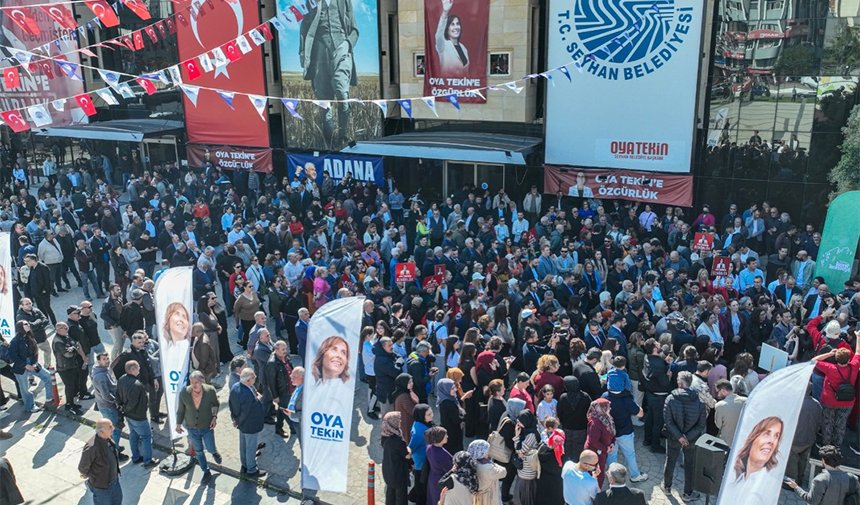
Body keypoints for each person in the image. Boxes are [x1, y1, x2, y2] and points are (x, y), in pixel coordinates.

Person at [298, 0, 359, 144]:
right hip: (319, 53)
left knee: (341, 91)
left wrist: (347, 44)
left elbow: (355, 30)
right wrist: (302, 54)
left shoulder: (344, 2)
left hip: (342, 49)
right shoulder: (310, 2)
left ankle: (343, 137)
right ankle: (329, 141)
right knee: (324, 100)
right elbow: (304, 29)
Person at [662, 371, 706, 502]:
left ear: (679, 383)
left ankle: (667, 487)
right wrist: (687, 437)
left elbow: (668, 421)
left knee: (670, 461)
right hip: (691, 439)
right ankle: (687, 493)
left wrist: (680, 436)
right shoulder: (699, 401)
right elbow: (701, 424)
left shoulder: (670, 398)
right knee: (690, 464)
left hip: (674, 437)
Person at [719, 416, 785, 504]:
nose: (771, 441)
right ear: (753, 438)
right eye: (767, 434)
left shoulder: (769, 485)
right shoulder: (738, 477)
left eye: (776, 436)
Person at [176, 370, 221, 484]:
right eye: (191, 382)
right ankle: (206, 471)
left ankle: (214, 452)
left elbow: (216, 404)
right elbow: (181, 410)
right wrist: (178, 424)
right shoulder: (184, 392)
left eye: (196, 382)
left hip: (207, 426)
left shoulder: (210, 391)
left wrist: (214, 417)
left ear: (202, 381)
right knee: (199, 451)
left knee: (210, 447)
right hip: (191, 428)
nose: (193, 384)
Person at [115, 360, 159, 468]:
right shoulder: (137, 385)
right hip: (138, 417)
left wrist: (122, 409)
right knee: (146, 437)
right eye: (138, 367)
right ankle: (148, 461)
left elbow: (117, 395)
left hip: (128, 416)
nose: (139, 369)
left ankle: (135, 457)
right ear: (133, 369)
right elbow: (136, 402)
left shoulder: (121, 379)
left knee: (133, 435)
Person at [786, 445, 860, 504]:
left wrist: (796, 487)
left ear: (823, 461)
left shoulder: (820, 480)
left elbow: (812, 501)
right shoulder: (853, 478)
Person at [7, 320, 53, 413]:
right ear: (20, 327)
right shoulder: (15, 341)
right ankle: (30, 406)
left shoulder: (30, 337)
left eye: (28, 323)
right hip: (20, 367)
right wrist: (25, 365)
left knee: (47, 376)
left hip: (32, 363)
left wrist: (34, 363)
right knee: (25, 389)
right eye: (25, 324)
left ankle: (49, 398)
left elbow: (35, 351)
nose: (28, 325)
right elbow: (12, 356)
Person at [228, 367, 267, 478]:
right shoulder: (246, 394)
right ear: (248, 380)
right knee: (250, 447)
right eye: (254, 377)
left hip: (243, 424)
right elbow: (245, 412)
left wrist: (235, 420)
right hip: (249, 424)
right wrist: (238, 422)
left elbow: (231, 404)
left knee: (243, 445)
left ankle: (245, 465)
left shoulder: (235, 387)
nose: (255, 378)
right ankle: (251, 469)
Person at [91, 352, 127, 460]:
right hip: (108, 406)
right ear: (98, 361)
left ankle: (113, 447)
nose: (107, 360)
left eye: (107, 358)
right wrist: (117, 402)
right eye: (104, 359)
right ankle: (114, 452)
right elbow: (106, 395)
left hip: (105, 405)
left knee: (113, 429)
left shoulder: (100, 369)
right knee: (114, 429)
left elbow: (110, 368)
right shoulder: (100, 376)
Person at [78, 419, 123, 505]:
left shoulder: (107, 438)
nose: (113, 428)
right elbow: (82, 467)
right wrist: (94, 476)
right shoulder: (92, 447)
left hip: (114, 481)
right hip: (101, 487)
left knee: (117, 502)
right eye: (109, 427)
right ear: (102, 431)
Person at [52, 320, 87, 416]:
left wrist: (73, 348)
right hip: (64, 368)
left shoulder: (65, 336)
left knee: (74, 385)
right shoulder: (58, 341)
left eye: (66, 327)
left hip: (71, 366)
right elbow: (67, 354)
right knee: (70, 387)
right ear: (58, 329)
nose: (66, 329)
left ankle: (72, 403)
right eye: (64, 328)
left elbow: (75, 344)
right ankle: (69, 405)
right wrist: (74, 349)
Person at [381, 411, 410, 505]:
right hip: (398, 472)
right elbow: (407, 455)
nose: (400, 421)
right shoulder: (399, 441)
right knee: (401, 497)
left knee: (390, 493)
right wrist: (409, 449)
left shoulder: (384, 435)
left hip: (388, 469)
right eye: (398, 420)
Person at [584, 398, 615, 487]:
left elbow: (612, 432)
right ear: (601, 409)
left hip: (602, 451)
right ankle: (595, 492)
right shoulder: (595, 423)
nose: (610, 408)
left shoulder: (606, 417)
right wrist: (606, 448)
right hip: (594, 453)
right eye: (607, 407)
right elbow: (593, 441)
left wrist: (612, 442)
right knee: (597, 473)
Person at [513, 410, 541, 505]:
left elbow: (520, 450)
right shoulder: (527, 431)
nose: (518, 424)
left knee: (526, 497)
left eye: (520, 421)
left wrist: (516, 436)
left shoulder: (531, 435)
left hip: (527, 471)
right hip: (523, 469)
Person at [466, 439, 506, 505]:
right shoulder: (488, 468)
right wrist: (492, 463)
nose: (488, 452)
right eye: (487, 450)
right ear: (482, 452)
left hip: (474, 497)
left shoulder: (469, 463)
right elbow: (503, 472)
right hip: (488, 498)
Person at [434, 0, 470, 74]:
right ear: (447, 29)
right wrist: (445, 12)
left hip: (462, 85)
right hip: (447, 85)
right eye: (452, 24)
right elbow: (438, 35)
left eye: (457, 24)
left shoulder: (464, 48)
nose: (456, 27)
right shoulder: (443, 45)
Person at [425, 425, 454, 505]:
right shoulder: (441, 455)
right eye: (445, 436)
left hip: (432, 478)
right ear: (439, 438)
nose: (447, 436)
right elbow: (450, 469)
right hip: (441, 482)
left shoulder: (429, 447)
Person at [714, 379, 746, 446]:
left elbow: (718, 425)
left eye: (718, 392)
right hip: (742, 441)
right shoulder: (746, 401)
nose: (717, 395)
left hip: (727, 442)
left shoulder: (720, 405)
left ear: (723, 391)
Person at [437, 377, 464, 454]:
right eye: (452, 388)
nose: (455, 390)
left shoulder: (444, 399)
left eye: (454, 387)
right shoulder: (449, 403)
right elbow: (456, 420)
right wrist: (464, 416)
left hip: (448, 430)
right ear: (445, 389)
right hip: (453, 432)